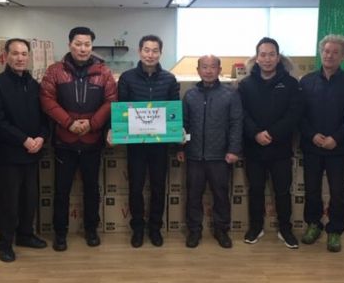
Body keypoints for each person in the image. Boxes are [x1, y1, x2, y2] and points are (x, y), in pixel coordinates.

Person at [40, 26, 116, 251]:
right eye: (78, 44)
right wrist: (69, 123)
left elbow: (111, 101)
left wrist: (92, 124)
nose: (83, 49)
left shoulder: (104, 72)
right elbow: (46, 99)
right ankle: (60, 233)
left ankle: (91, 229)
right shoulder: (54, 71)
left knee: (92, 189)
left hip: (93, 141)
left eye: (87, 44)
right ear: (70, 44)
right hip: (65, 140)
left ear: (92, 46)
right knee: (61, 190)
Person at [0, 38, 50, 263]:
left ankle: (25, 234)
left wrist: (41, 137)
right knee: (8, 200)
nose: (20, 58)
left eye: (24, 54)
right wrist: (24, 140)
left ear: (28, 57)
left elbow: (45, 118)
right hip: (9, 153)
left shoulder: (34, 85)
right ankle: (4, 242)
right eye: (15, 53)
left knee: (29, 198)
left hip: (32, 152)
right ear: (6, 56)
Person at [238, 37, 302, 249]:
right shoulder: (245, 85)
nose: (267, 59)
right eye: (263, 55)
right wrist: (256, 133)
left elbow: (293, 114)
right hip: (254, 148)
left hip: (280, 148)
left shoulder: (291, 84)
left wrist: (272, 133)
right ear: (256, 58)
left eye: (271, 54)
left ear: (278, 57)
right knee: (255, 190)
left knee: (282, 191)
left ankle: (286, 229)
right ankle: (256, 227)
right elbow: (241, 114)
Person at [117, 35, 180, 248]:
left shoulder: (169, 79)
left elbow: (173, 111)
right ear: (139, 51)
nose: (150, 54)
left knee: (158, 187)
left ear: (160, 53)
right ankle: (137, 229)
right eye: (146, 50)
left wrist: (177, 134)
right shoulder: (127, 78)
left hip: (160, 145)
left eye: (154, 51)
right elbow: (122, 110)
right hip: (136, 145)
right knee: (135, 188)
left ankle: (155, 229)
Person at [299, 35, 344, 252]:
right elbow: (299, 115)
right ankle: (313, 225)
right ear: (320, 53)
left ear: (343, 56)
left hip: (338, 148)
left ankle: (335, 230)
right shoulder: (306, 81)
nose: (329, 55)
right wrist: (312, 135)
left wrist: (337, 138)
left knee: (338, 192)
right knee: (312, 190)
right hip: (312, 147)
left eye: (335, 52)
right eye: (326, 51)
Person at [177, 55, 242, 248]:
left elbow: (236, 124)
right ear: (198, 70)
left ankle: (222, 231)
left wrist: (233, 149)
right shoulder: (190, 95)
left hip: (220, 156)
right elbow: (184, 124)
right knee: (193, 195)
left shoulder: (230, 95)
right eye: (204, 67)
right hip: (194, 155)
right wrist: (181, 147)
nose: (208, 71)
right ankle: (194, 231)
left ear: (219, 70)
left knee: (221, 195)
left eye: (213, 67)